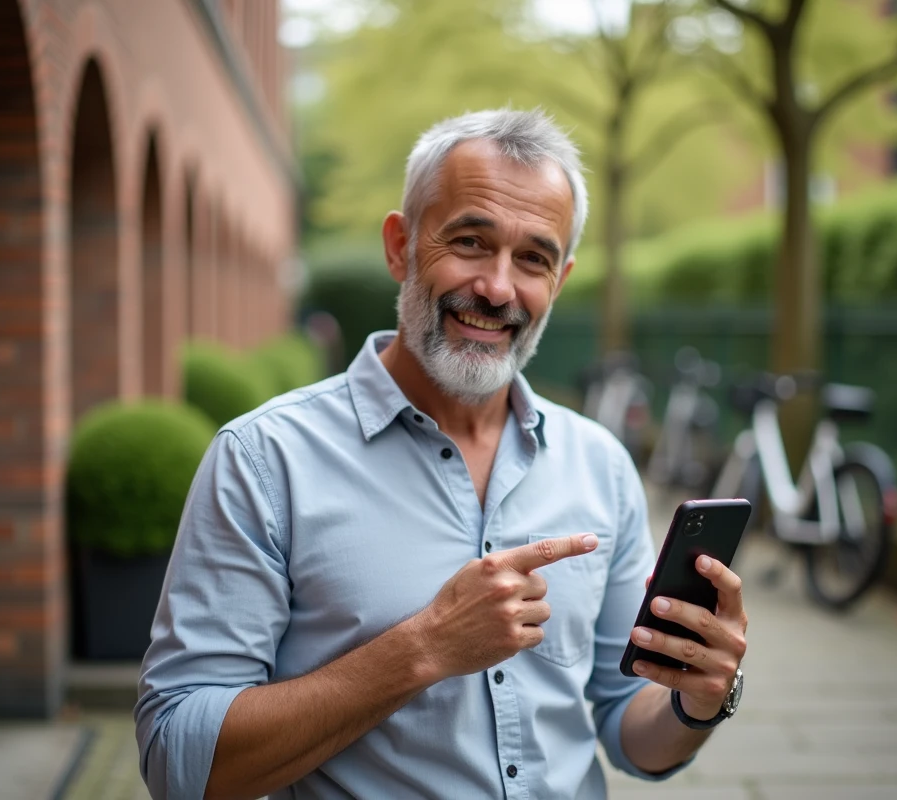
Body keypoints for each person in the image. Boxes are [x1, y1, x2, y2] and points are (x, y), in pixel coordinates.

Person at [134, 108, 749, 800]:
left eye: (533, 260)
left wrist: (697, 702)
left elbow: (626, 727)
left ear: (561, 280)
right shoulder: (264, 461)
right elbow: (179, 759)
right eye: (469, 241)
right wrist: (422, 648)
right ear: (401, 245)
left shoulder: (602, 466)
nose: (496, 287)